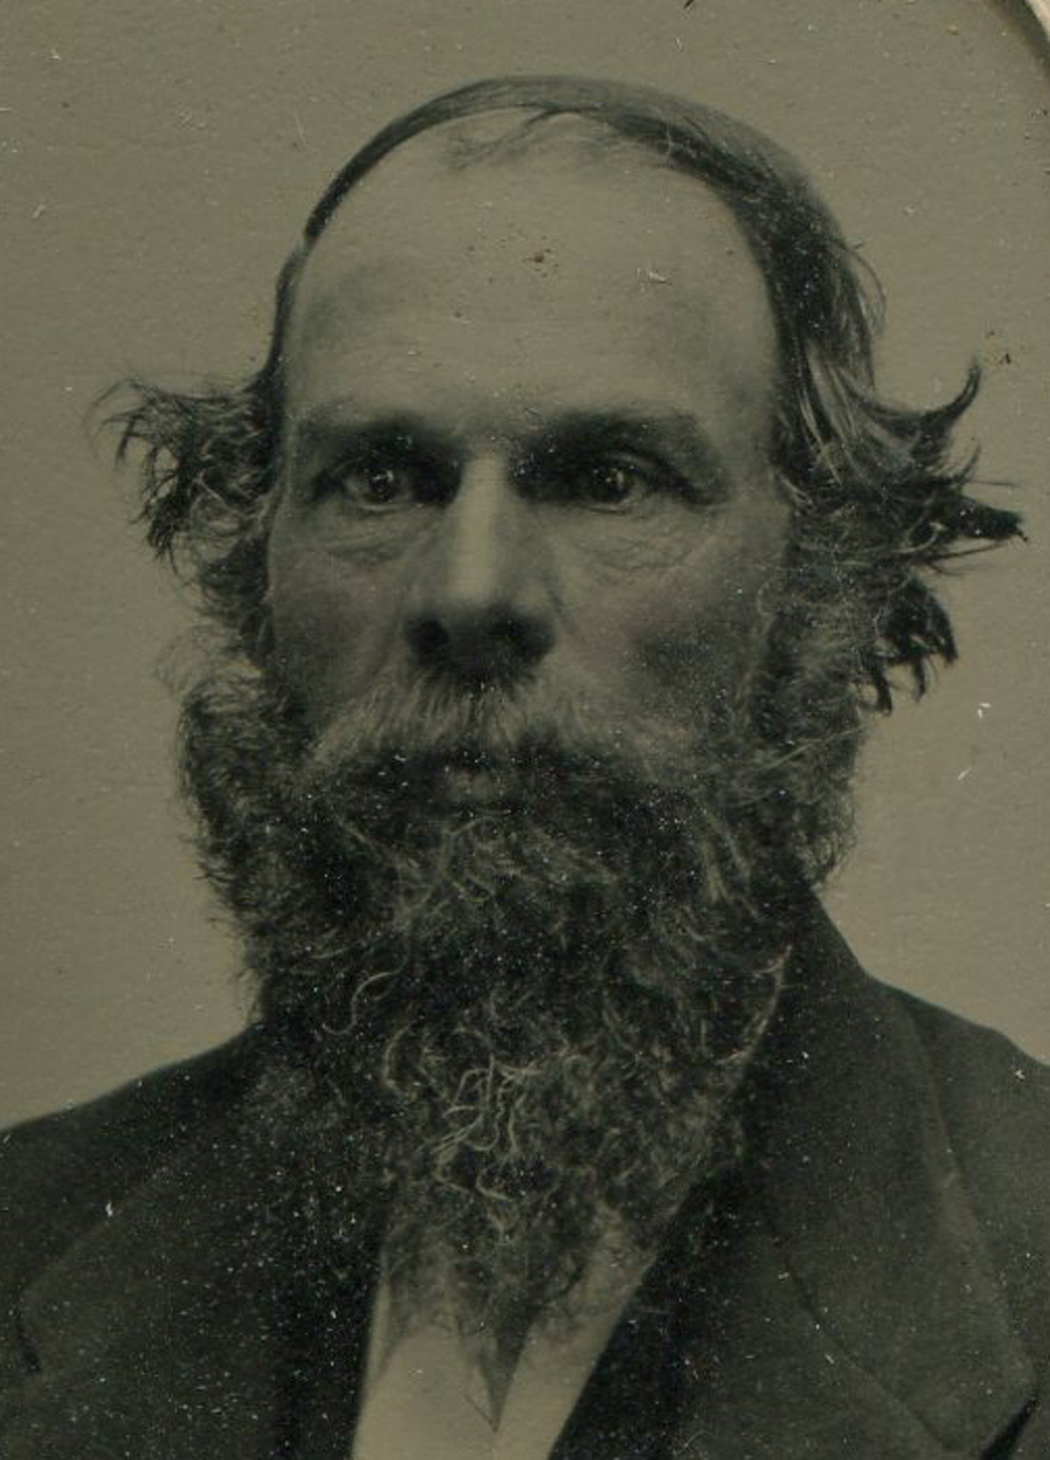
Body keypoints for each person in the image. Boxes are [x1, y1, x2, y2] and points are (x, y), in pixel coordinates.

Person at [1, 74, 1047, 1460]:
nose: (470, 592)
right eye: (381, 479)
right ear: (255, 562)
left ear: (823, 584)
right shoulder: (32, 1234)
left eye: (608, 478)